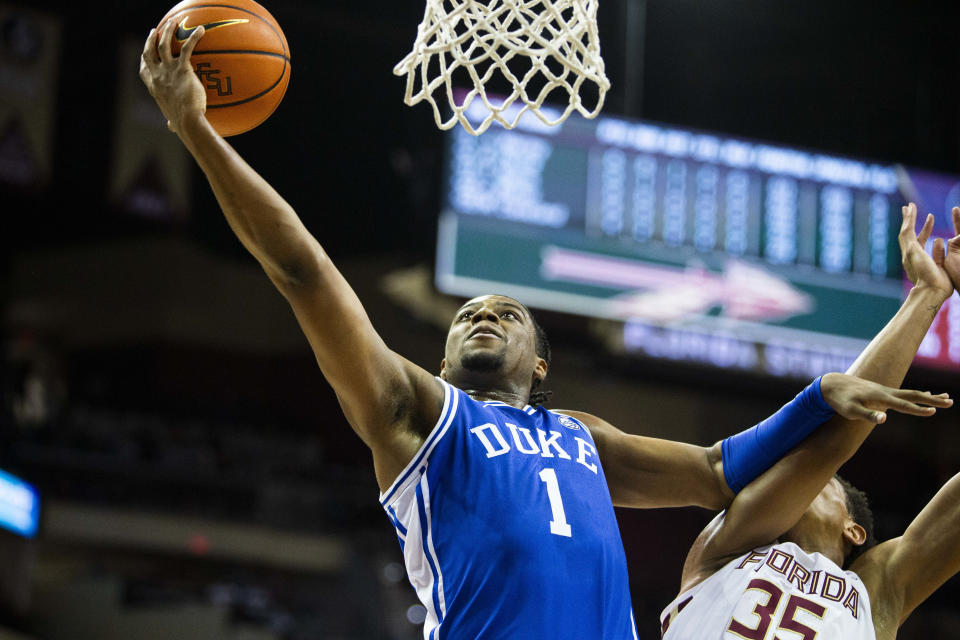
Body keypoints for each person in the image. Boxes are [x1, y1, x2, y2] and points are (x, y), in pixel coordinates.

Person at [138, 25, 951, 639]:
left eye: (507, 313)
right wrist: (198, 133)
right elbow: (304, 273)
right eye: (465, 316)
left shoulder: (584, 439)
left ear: (541, 359)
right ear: (444, 355)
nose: (482, 313)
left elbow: (717, 467)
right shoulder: (417, 415)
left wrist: (820, 397)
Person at [660, 204, 960, 640]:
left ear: (852, 529)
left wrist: (929, 295)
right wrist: (925, 298)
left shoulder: (875, 595)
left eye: (824, 482)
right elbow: (830, 443)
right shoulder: (723, 553)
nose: (796, 476)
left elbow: (834, 443)